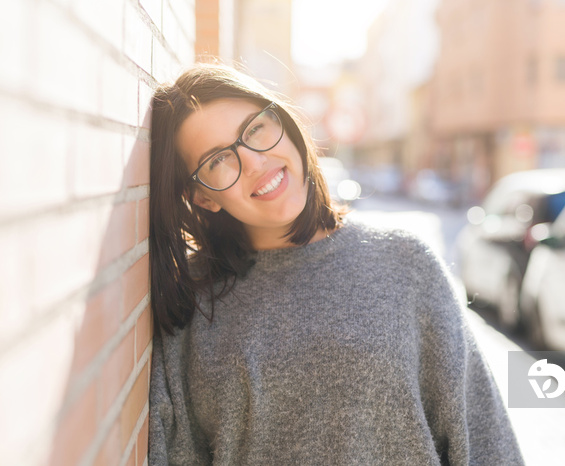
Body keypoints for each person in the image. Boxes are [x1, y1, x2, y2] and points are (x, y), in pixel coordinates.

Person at [147, 63, 524, 465]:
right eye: (219, 159)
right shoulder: (191, 300)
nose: (254, 162)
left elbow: (484, 439)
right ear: (203, 197)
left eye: (255, 129)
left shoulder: (404, 263)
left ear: (284, 125)